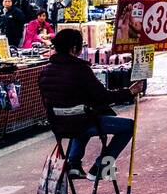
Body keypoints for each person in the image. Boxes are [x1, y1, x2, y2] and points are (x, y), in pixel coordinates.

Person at [40, 28, 141, 179]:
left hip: (58, 125)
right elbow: (104, 96)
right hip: (82, 123)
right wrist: (129, 92)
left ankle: (73, 163)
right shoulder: (80, 69)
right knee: (129, 126)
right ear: (74, 48)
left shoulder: (46, 70)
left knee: (80, 115)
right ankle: (101, 167)